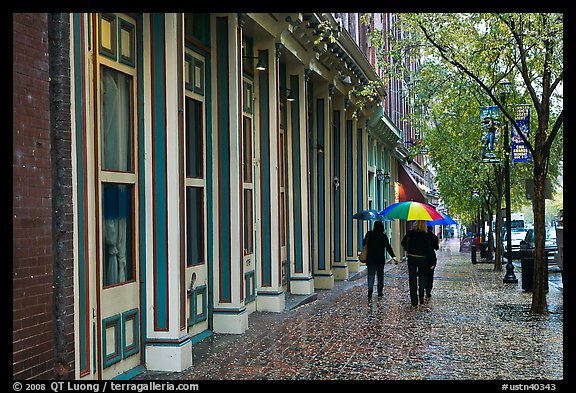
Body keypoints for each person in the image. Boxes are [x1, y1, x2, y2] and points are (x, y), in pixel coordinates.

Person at [401, 220, 435, 309]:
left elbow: (402, 243)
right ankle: (421, 294)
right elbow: (429, 249)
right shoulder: (425, 235)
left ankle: (414, 301)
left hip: (411, 257)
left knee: (412, 279)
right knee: (422, 276)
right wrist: (431, 262)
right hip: (423, 259)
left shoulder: (410, 233)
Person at [362, 220, 397, 300]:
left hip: (370, 259)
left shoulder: (369, 234)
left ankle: (370, 291)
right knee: (380, 276)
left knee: (371, 275)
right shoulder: (383, 235)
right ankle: (380, 292)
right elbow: (388, 246)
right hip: (380, 259)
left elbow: (364, 243)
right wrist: (393, 256)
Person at [425, 226, 440, 299]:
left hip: (423, 257)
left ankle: (423, 287)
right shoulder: (433, 237)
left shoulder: (423, 236)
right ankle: (428, 291)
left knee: (423, 274)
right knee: (430, 275)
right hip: (431, 258)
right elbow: (436, 248)